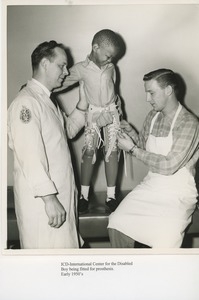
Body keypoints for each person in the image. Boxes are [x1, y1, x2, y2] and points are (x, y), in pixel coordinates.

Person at [7, 40, 112, 249]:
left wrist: (83, 101)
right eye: (61, 65)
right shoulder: (26, 102)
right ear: (45, 64)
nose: (66, 71)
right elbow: (30, 157)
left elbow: (68, 131)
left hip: (60, 199)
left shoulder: (47, 100)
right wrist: (49, 199)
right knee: (46, 269)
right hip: (44, 205)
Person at [108, 68, 199, 248]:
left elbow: (169, 166)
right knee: (116, 223)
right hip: (151, 185)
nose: (147, 99)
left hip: (177, 192)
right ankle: (126, 272)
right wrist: (131, 133)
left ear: (168, 90)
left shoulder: (189, 123)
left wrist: (132, 149)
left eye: (151, 93)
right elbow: (144, 147)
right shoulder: (153, 116)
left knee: (165, 238)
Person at [56, 29, 124, 214]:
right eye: (108, 56)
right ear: (95, 47)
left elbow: (114, 91)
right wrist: (44, 90)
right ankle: (83, 196)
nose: (111, 60)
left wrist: (119, 113)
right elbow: (60, 81)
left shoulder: (111, 68)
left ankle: (111, 196)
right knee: (89, 153)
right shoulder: (81, 69)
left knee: (112, 153)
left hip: (111, 113)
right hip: (93, 114)